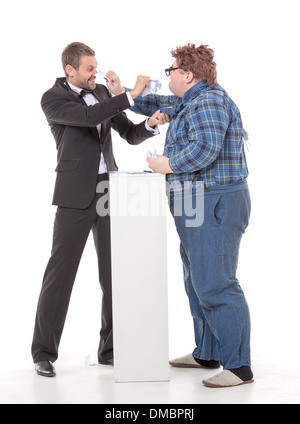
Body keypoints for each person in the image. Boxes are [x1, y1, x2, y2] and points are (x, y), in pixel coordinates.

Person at [106, 43, 253, 388]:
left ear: (187, 75)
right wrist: (121, 92)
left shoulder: (210, 102)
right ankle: (208, 351)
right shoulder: (189, 100)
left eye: (170, 70)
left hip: (213, 202)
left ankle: (238, 365)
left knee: (216, 283)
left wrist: (166, 165)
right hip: (194, 201)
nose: (166, 74)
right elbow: (154, 104)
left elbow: (206, 148)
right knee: (196, 280)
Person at [32, 42, 169, 377]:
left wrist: (150, 123)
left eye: (96, 67)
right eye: (89, 69)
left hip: (111, 191)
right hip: (74, 196)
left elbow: (129, 133)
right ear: (70, 70)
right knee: (60, 275)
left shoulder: (105, 93)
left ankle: (109, 350)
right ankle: (43, 352)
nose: (96, 73)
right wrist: (131, 93)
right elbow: (87, 117)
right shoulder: (53, 98)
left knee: (114, 275)